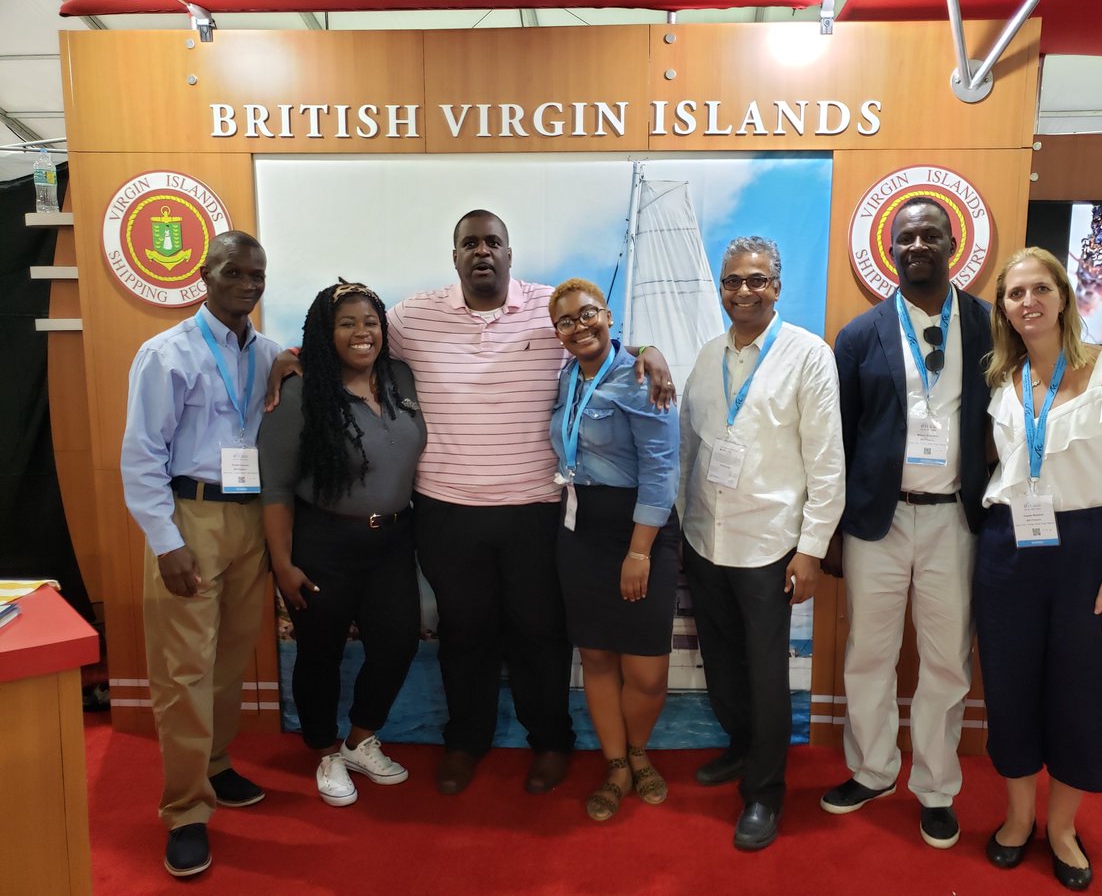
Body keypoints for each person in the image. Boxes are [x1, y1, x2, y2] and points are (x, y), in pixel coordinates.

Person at [267, 210, 671, 796]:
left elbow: (598, 340)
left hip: (536, 508)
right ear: (454, 256)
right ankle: (465, 741)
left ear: (510, 252)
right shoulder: (412, 316)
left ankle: (551, 742)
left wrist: (649, 349)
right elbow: (354, 340)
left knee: (540, 633)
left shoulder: (546, 307)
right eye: (469, 243)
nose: (482, 252)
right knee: (466, 633)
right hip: (447, 513)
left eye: (493, 242)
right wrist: (291, 355)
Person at [972, 247, 1102, 891]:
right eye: (1015, 293)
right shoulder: (1003, 378)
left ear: (1063, 297)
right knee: (1011, 686)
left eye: (1039, 290)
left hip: (1091, 551)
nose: (1028, 302)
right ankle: (1018, 818)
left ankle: (1061, 828)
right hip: (1009, 549)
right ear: (1003, 308)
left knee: (1086, 689)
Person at [820, 197, 992, 850]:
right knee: (869, 652)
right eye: (905, 237)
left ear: (953, 243)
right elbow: (838, 437)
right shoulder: (859, 336)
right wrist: (832, 529)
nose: (917, 244)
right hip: (878, 522)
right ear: (890, 250)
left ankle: (936, 789)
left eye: (929, 234)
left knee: (947, 659)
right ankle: (870, 770)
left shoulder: (985, 326)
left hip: (956, 520)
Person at [120, 231, 280, 878]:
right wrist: (166, 542)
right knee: (184, 669)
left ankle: (214, 765)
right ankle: (186, 812)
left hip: (248, 519)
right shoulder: (167, 354)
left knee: (230, 659)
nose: (247, 283)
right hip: (189, 520)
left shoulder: (267, 352)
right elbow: (140, 455)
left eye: (257, 274)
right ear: (205, 274)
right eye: (233, 272)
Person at [678, 236, 845, 851]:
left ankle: (764, 793)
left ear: (777, 286)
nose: (743, 291)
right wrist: (679, 526)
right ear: (720, 288)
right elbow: (691, 449)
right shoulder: (705, 356)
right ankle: (741, 749)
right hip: (705, 537)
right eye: (732, 281)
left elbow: (827, 462)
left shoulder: (808, 356)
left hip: (770, 545)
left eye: (756, 280)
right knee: (721, 664)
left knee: (767, 674)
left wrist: (811, 548)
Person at [259, 280, 426, 808]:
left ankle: (359, 739)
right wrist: (282, 563)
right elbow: (277, 487)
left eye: (371, 322)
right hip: (323, 542)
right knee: (319, 653)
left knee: (398, 641)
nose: (362, 333)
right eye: (347, 323)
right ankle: (325, 749)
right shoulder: (303, 391)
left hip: (394, 540)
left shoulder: (401, 377)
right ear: (324, 334)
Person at [547, 278, 681, 821]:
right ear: (557, 333)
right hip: (580, 531)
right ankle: (615, 765)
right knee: (597, 657)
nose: (579, 327)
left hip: (639, 534)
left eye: (588, 315)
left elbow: (662, 471)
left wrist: (639, 552)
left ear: (608, 316)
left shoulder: (642, 377)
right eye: (566, 321)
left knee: (646, 671)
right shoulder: (565, 379)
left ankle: (640, 753)